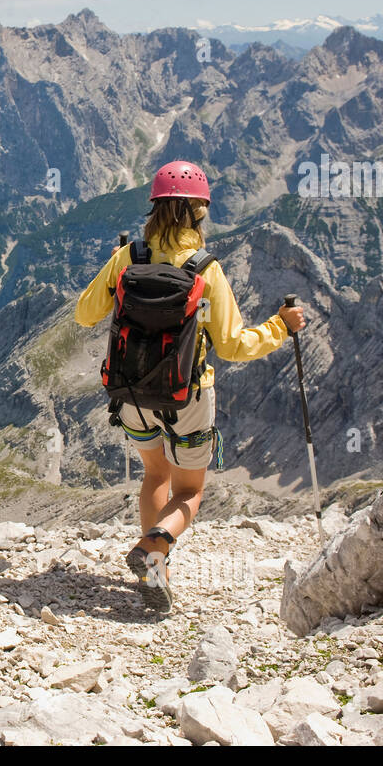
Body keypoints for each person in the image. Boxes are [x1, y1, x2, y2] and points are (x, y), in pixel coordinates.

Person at [74, 160, 305, 612]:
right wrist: (281, 326)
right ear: (198, 211)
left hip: (132, 395)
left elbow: (85, 313)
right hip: (187, 396)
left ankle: (155, 574)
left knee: (155, 475)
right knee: (190, 491)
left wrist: (117, 276)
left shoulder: (129, 257)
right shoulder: (206, 269)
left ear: (155, 207)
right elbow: (234, 345)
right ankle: (154, 548)